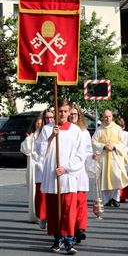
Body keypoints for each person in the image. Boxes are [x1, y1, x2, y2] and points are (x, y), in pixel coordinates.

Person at [37, 99, 85, 254]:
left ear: (69, 112)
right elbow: (40, 152)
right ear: (55, 111)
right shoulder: (47, 129)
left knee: (68, 210)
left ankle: (69, 240)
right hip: (52, 176)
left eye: (65, 111)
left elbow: (80, 155)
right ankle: (57, 239)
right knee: (54, 210)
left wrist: (66, 168)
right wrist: (51, 136)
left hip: (68, 176)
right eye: (60, 111)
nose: (63, 114)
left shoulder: (75, 130)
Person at [92, 109, 128, 208]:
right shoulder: (99, 130)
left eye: (109, 116)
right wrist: (104, 146)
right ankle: (106, 200)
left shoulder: (117, 129)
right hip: (103, 158)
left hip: (115, 157)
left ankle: (116, 199)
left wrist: (114, 147)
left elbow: (123, 142)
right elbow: (94, 142)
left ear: (112, 117)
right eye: (105, 116)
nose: (107, 118)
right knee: (104, 179)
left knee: (116, 177)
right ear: (102, 117)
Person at [69, 105, 92, 244]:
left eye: (75, 114)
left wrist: (92, 157)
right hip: (68, 172)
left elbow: (88, 151)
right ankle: (70, 230)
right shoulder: (64, 131)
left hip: (80, 172)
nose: (73, 116)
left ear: (79, 116)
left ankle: (81, 228)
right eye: (71, 114)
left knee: (81, 202)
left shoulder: (84, 132)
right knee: (70, 204)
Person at [20, 116, 43, 223]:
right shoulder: (31, 136)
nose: (38, 125)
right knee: (32, 191)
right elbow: (25, 150)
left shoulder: (45, 135)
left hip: (42, 166)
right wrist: (29, 138)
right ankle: (33, 215)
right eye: (37, 123)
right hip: (32, 165)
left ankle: (42, 214)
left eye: (40, 123)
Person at [115, 118, 128, 202]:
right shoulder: (113, 134)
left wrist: (124, 149)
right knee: (116, 177)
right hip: (115, 158)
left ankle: (123, 195)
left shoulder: (127, 135)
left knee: (125, 177)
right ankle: (116, 196)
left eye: (121, 127)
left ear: (123, 127)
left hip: (124, 159)